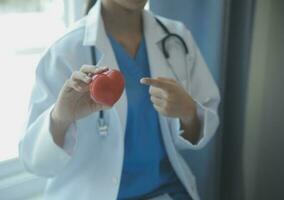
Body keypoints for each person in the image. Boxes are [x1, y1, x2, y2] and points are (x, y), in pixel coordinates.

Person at [19, 0, 220, 199]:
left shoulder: (177, 37)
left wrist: (188, 112)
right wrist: (60, 117)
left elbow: (204, 125)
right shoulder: (64, 51)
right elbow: (35, 162)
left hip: (166, 192)